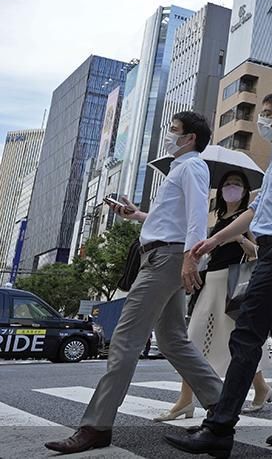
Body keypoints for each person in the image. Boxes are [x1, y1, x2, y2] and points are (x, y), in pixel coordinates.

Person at [46, 113, 224, 454]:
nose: (168, 135)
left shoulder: (192, 166)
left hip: (165, 260)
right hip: (164, 255)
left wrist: (192, 256)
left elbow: (198, 213)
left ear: (189, 139)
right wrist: (137, 215)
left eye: (173, 130)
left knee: (126, 340)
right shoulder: (181, 168)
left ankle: (96, 427)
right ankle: (222, 406)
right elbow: (172, 219)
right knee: (172, 340)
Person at [166, 92, 272, 456]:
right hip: (269, 250)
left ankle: (219, 427)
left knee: (246, 335)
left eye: (266, 115)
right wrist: (213, 240)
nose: (261, 121)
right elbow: (256, 211)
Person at [154, 171, 272, 421]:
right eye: (227, 184)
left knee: (239, 343)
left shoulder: (247, 217)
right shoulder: (219, 219)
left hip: (233, 285)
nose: (232, 188)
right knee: (193, 338)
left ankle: (261, 387)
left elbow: (257, 252)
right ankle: (185, 400)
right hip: (211, 285)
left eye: (237, 184)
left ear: (245, 191)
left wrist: (238, 236)